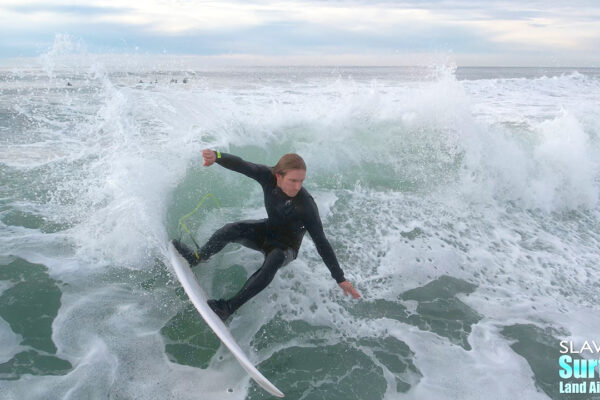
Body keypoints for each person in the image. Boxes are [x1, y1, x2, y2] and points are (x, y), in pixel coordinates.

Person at [172, 149, 360, 321]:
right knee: (231, 229)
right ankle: (197, 258)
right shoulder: (267, 176)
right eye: (293, 181)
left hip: (286, 247)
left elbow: (322, 242)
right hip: (267, 231)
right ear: (278, 176)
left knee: (274, 258)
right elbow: (242, 164)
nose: (297, 187)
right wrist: (217, 156)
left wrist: (340, 278)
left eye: (301, 181)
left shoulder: (306, 206)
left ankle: (228, 307)